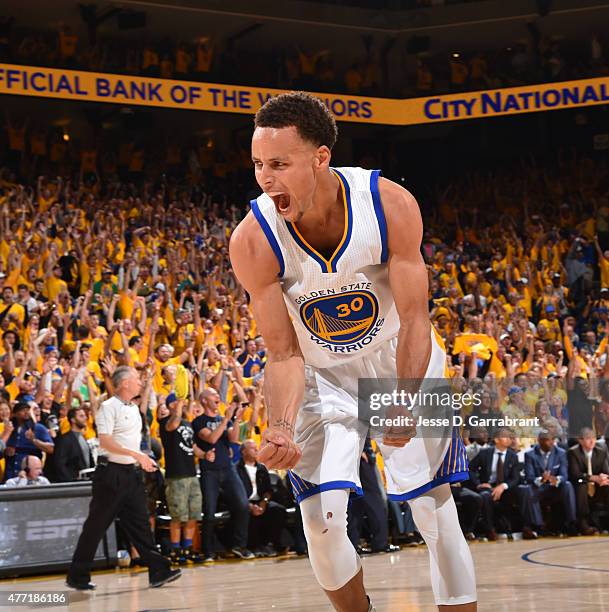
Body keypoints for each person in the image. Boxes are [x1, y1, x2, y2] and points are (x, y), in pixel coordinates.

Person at [230, 92, 476, 612]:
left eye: (279, 163)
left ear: (320, 158)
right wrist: (278, 425)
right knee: (319, 522)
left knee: (434, 509)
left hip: (399, 361)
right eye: (257, 164)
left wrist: (407, 399)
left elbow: (415, 318)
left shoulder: (388, 203)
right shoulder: (253, 239)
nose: (265, 177)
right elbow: (281, 353)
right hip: (321, 374)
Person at [66, 366, 181, 590]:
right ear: (124, 383)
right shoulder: (108, 407)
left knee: (140, 524)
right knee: (96, 527)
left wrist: (138, 460)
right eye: (136, 379)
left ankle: (159, 570)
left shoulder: (134, 408)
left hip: (131, 474)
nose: (139, 381)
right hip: (110, 475)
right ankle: (77, 575)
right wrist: (138, 455)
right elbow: (106, 442)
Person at [192, 388, 254, 562]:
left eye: (218, 395)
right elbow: (211, 438)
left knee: (242, 505)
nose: (218, 397)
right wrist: (226, 418)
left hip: (228, 468)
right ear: (204, 401)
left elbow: (233, 439)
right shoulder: (198, 421)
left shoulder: (222, 419)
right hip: (209, 471)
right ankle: (208, 551)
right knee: (209, 512)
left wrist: (236, 420)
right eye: (213, 395)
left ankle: (238, 546)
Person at [158, 393, 205, 565]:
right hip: (176, 475)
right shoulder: (165, 422)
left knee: (193, 514)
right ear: (172, 405)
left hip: (191, 474)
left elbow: (191, 446)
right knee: (178, 516)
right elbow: (173, 424)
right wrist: (178, 402)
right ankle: (175, 550)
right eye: (179, 403)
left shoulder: (187, 423)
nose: (184, 404)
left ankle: (187, 548)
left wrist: (205, 454)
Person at [468, 428, 537, 540]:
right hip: (489, 487)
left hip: (506, 488)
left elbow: (515, 478)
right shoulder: (485, 453)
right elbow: (470, 469)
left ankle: (527, 527)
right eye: (506, 436)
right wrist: (478, 484)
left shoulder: (512, 456)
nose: (509, 439)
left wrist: (503, 486)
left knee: (524, 490)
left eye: (510, 436)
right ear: (496, 439)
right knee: (485, 496)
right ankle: (490, 530)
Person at [236, 438, 288, 556]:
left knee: (278, 510)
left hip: (260, 501)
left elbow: (268, 490)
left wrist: (264, 502)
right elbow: (236, 492)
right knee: (246, 512)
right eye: (252, 448)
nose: (256, 450)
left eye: (257, 448)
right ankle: (250, 546)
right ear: (243, 451)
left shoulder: (261, 468)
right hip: (244, 502)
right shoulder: (236, 469)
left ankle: (271, 544)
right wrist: (249, 506)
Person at [524, 429, 576, 535]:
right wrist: (541, 479)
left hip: (555, 487)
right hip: (539, 488)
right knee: (529, 489)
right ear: (540, 441)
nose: (552, 442)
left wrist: (556, 479)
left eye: (553, 439)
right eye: (548, 440)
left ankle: (572, 523)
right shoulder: (530, 454)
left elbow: (564, 475)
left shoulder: (560, 453)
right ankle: (538, 526)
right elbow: (529, 477)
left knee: (568, 485)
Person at [568, 427, 609, 535]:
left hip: (597, 483)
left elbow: (605, 471)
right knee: (581, 485)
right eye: (588, 438)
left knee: (607, 484)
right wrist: (593, 478)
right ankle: (583, 523)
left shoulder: (601, 452)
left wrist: (603, 478)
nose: (592, 441)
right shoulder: (573, 452)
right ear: (580, 440)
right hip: (580, 482)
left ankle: (605, 524)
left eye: (594, 438)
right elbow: (575, 474)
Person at [53, 407, 94, 482]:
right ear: (73, 420)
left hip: (86, 481)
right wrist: (70, 481)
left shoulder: (83, 437)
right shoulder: (64, 440)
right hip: (73, 483)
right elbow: (60, 464)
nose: (85, 418)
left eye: (85, 415)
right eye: (81, 416)